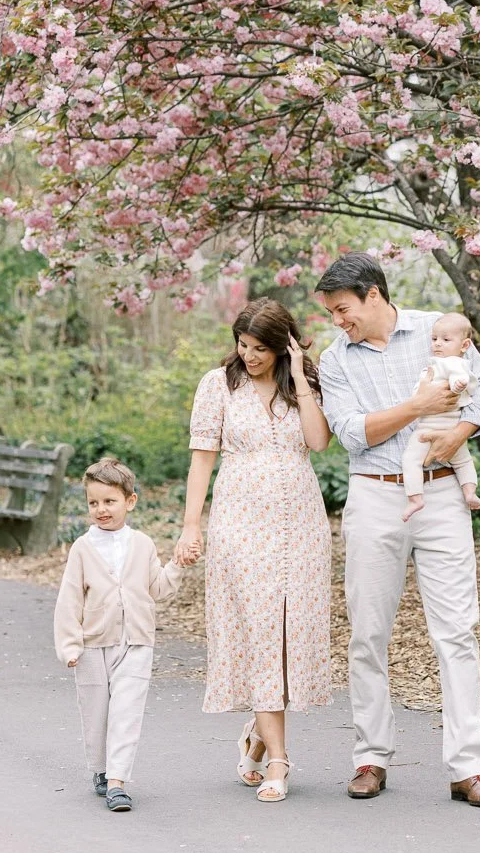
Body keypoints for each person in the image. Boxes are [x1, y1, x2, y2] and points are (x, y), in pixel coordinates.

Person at [316, 253, 480, 808]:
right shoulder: (335, 359)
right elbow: (352, 433)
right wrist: (417, 406)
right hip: (374, 494)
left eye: (343, 309)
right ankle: (371, 757)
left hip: (443, 493)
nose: (338, 321)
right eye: (331, 313)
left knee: (457, 631)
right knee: (367, 632)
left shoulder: (436, 330)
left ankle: (468, 769)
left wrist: (460, 431)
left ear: (373, 295)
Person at [174, 298, 332, 803]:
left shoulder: (303, 382)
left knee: (290, 635)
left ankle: (259, 735)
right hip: (241, 524)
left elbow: (319, 443)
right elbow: (202, 459)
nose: (250, 355)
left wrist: (301, 380)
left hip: (301, 526)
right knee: (261, 633)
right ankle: (279, 761)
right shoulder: (217, 384)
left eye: (261, 348)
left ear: (284, 346)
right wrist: (191, 527)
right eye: (243, 345)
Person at [53, 455, 185, 812]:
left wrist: (177, 565)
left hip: (137, 642)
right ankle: (101, 768)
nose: (101, 510)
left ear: (130, 501)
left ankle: (117, 782)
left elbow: (156, 588)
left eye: (109, 501)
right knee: (96, 713)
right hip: (93, 645)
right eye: (93, 503)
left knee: (127, 712)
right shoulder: (83, 548)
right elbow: (69, 599)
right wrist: (70, 645)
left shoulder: (142, 544)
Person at [400, 312, 480, 521]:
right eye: (434, 338)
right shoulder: (439, 363)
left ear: (464, 345)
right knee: (463, 462)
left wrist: (458, 384)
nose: (437, 344)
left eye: (446, 340)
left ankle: (415, 498)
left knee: (411, 460)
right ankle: (470, 492)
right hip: (451, 428)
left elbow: (459, 376)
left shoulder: (452, 362)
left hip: (428, 429)